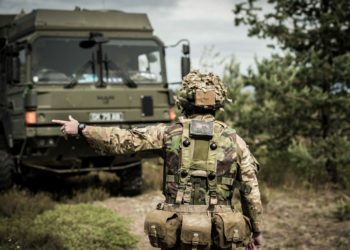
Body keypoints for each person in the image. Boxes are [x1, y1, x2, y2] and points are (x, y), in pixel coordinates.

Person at [52, 70, 263, 250]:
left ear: (185, 101)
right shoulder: (236, 141)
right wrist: (256, 230)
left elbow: (122, 140)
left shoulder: (168, 134)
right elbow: (250, 190)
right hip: (221, 231)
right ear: (219, 102)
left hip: (177, 229)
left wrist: (81, 129)